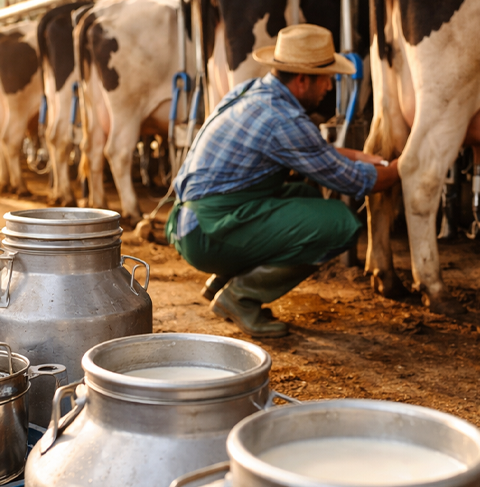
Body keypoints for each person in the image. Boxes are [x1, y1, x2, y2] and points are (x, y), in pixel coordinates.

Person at [166, 24, 400, 338]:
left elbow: (316, 151)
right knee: (339, 225)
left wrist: (360, 154)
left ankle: (222, 282)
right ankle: (241, 297)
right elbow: (356, 182)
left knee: (304, 193)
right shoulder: (283, 120)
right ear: (303, 80)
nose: (329, 88)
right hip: (206, 234)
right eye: (327, 79)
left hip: (194, 220)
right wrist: (405, 166)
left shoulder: (251, 90)